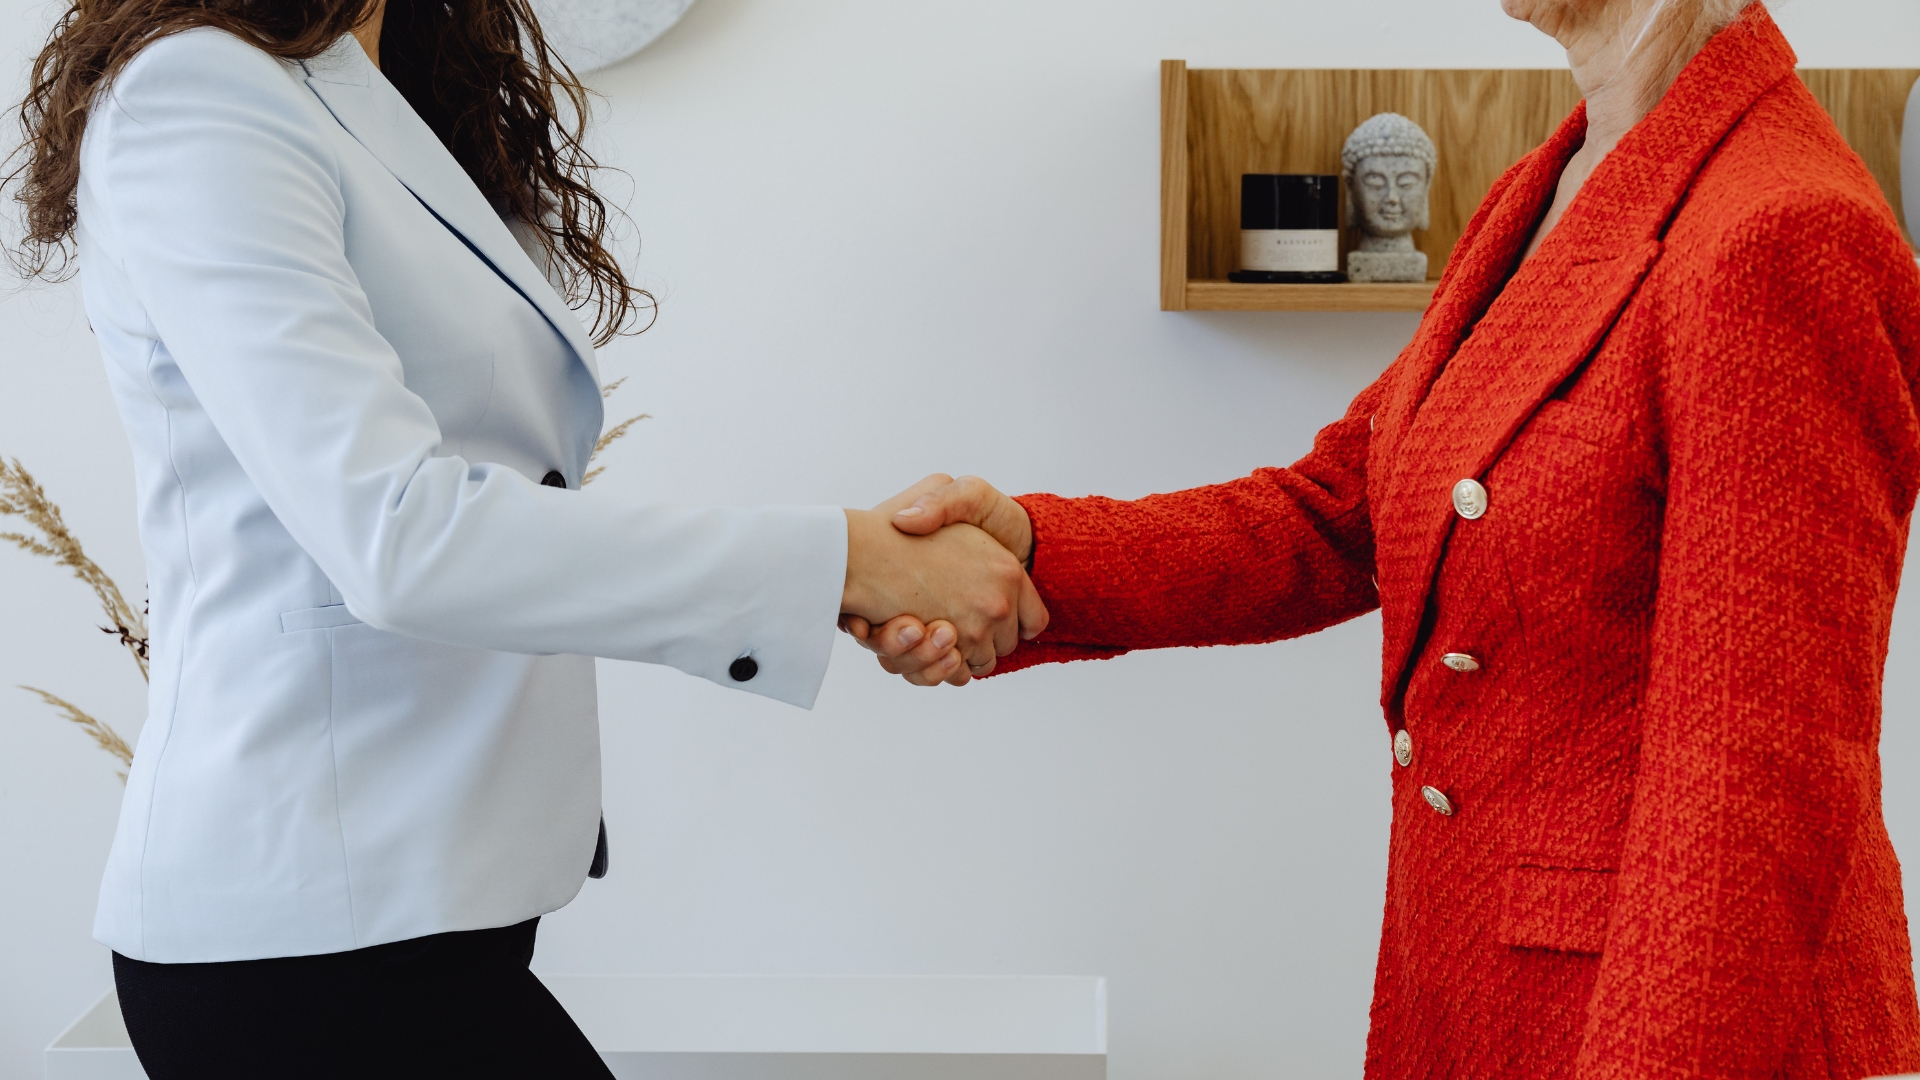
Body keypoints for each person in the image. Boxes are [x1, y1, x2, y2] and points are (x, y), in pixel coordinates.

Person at [853, 1, 1920, 1076]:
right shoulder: (1552, 183)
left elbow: (1755, 784)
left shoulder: (1786, 225)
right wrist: (1030, 554)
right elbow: (1337, 511)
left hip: (1656, 1027)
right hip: (1474, 987)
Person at [4, 0, 1046, 1074]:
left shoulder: (380, 84)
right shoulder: (196, 92)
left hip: (435, 905)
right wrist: (847, 562)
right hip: (307, 930)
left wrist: (865, 570)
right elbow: (399, 534)